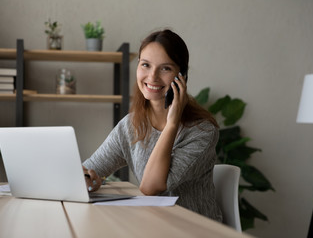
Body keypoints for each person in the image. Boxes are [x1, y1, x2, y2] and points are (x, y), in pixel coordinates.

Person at [83, 29, 222, 222]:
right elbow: (90, 168)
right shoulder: (130, 125)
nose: (152, 76)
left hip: (194, 230)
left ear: (182, 76)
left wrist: (172, 124)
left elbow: (151, 187)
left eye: (165, 68)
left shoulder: (202, 131)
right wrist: (89, 179)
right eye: (145, 65)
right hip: (152, 225)